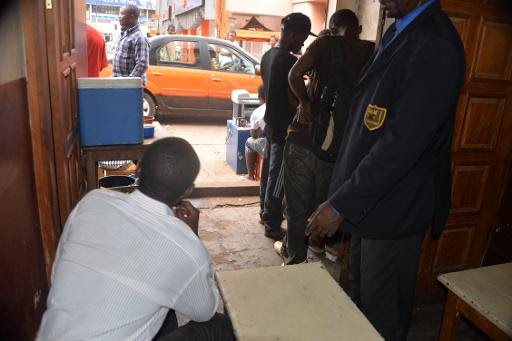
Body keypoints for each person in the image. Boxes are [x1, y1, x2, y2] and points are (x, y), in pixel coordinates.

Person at [306, 0, 465, 339]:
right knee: (360, 299)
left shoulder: (435, 44)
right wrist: (342, 195)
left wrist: (341, 203)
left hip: (395, 207)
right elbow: (368, 124)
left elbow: (401, 144)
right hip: (370, 203)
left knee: (382, 316)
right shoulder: (400, 30)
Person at [37, 138, 235, 341]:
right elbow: (205, 311)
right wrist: (191, 237)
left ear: (138, 169)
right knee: (217, 327)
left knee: (163, 302)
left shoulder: (92, 201)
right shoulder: (186, 249)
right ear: (188, 190)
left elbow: (57, 274)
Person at [278, 9, 374, 265]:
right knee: (321, 206)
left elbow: (294, 75)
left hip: (304, 140)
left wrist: (305, 103)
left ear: (332, 28)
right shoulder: (371, 52)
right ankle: (318, 252)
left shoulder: (325, 44)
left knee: (297, 209)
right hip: (339, 150)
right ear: (359, 28)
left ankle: (296, 260)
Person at [260, 13, 315, 240]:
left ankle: (265, 214)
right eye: (302, 37)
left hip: (270, 123)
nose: (303, 42)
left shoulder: (268, 55)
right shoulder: (291, 63)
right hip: (284, 128)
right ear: (292, 34)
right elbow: (294, 99)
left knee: (267, 173)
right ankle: (272, 224)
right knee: (278, 177)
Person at [113, 4, 149, 85]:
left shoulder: (139, 37)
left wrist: (128, 83)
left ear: (132, 17)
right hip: (120, 84)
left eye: (122, 14)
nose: (119, 16)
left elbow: (142, 65)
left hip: (129, 87)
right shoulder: (124, 34)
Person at [244, 85, 267, 181]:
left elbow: (253, 135)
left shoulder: (258, 111)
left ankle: (250, 176)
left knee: (249, 142)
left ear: (260, 97)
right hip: (288, 146)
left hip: (270, 148)